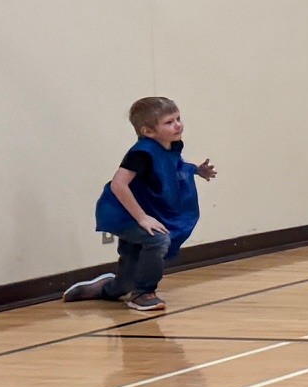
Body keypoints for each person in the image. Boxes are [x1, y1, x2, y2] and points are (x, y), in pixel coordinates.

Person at [66, 96, 215, 315]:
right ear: (148, 131)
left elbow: (172, 166)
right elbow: (119, 184)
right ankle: (144, 293)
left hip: (141, 210)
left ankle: (108, 288)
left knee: (127, 277)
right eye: (169, 122)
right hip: (120, 212)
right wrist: (142, 218)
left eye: (178, 118)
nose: (178, 124)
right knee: (158, 239)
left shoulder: (170, 146)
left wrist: (197, 171)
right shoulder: (141, 153)